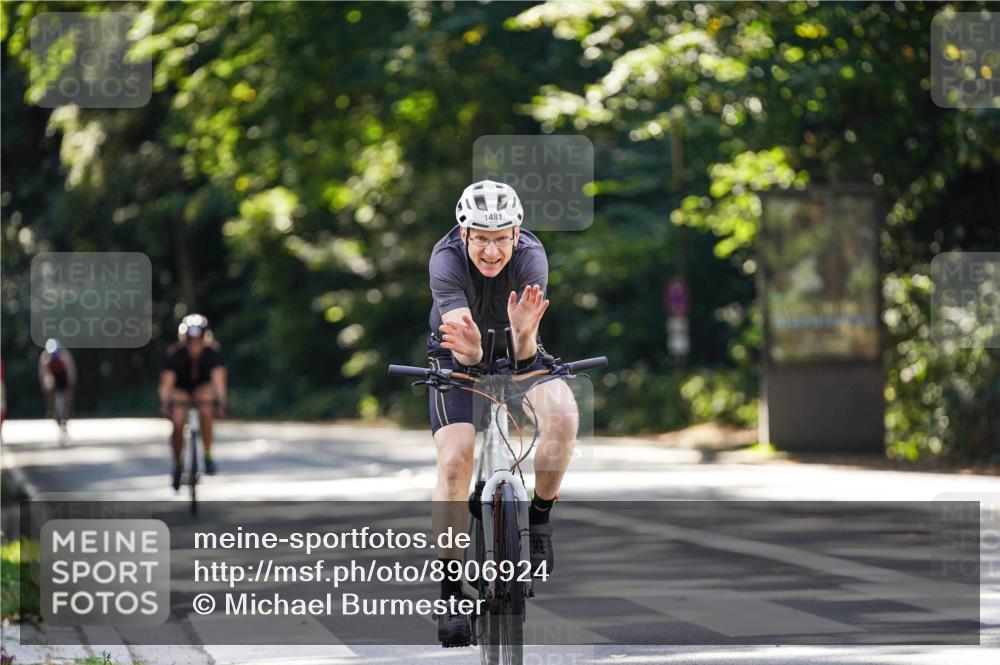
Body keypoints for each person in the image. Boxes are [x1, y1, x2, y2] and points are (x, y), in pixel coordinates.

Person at [428, 180, 579, 647]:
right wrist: (474, 355)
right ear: (464, 233)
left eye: (501, 239)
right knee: (455, 460)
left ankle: (539, 518)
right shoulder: (446, 259)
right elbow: (465, 345)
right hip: (458, 353)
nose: (491, 251)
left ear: (516, 234)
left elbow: (526, 348)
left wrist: (523, 336)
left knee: (562, 418)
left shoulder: (531, 256)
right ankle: (451, 593)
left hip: (520, 348)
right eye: (481, 238)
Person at [159, 314, 227, 491]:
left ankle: (207, 455)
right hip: (181, 389)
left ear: (205, 338)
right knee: (178, 419)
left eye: (198, 340)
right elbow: (167, 385)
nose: (194, 345)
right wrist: (166, 404)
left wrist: (220, 403)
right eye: (190, 341)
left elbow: (219, 382)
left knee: (206, 409)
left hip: (202, 389)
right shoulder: (175, 354)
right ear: (185, 340)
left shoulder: (212, 353)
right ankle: (177, 466)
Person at [37, 338, 77, 432]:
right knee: (50, 394)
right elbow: (44, 373)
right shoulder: (45, 357)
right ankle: (52, 411)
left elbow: (70, 370)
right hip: (53, 377)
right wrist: (46, 385)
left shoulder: (65, 355)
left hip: (63, 377)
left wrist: (71, 383)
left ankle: (66, 418)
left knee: (68, 398)